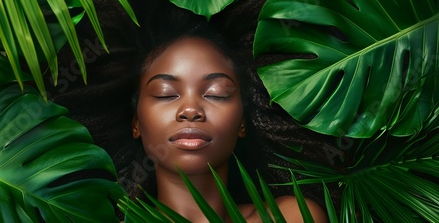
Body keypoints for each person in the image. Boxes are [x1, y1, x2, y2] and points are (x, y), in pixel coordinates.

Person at [122, 22, 327, 222]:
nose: (191, 110)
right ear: (136, 123)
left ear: (242, 123)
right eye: (165, 94)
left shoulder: (292, 216)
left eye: (216, 94)